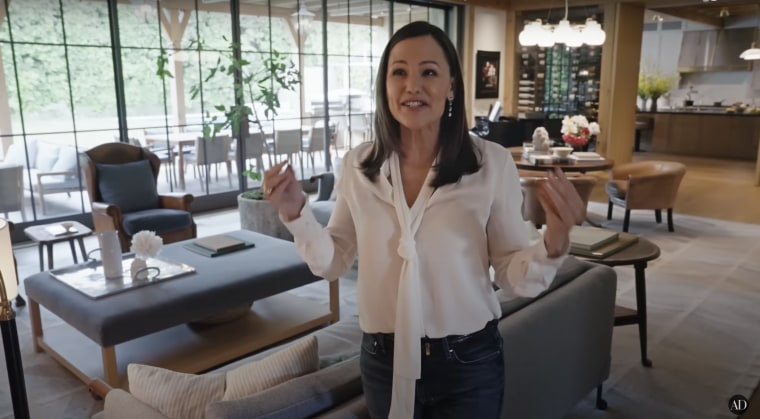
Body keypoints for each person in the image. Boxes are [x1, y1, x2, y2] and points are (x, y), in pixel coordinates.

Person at [263, 21, 585, 419]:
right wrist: (297, 212)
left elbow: (511, 275)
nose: (412, 85)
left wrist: (553, 239)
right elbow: (334, 261)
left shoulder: (490, 164)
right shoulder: (359, 166)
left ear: (451, 85)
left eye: (428, 72)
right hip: (384, 359)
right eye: (399, 72)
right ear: (385, 85)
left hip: (468, 362)